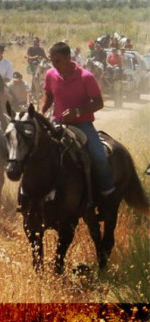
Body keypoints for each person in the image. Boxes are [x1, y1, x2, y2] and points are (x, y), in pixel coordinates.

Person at [38, 41, 115, 218]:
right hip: (57, 123)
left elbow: (99, 102)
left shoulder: (86, 77)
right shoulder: (51, 74)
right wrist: (42, 110)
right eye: (51, 60)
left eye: (57, 61)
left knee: (99, 157)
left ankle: (107, 196)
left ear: (68, 58)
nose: (53, 65)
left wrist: (78, 112)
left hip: (82, 124)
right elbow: (48, 95)